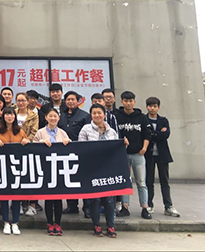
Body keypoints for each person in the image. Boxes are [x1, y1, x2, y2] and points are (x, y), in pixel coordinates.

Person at [78, 104, 119, 238]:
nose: (97, 115)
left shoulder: (111, 131)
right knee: (95, 199)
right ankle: (96, 225)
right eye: (94, 113)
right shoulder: (86, 129)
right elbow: (81, 148)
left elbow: (116, 149)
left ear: (104, 115)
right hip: (93, 169)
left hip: (108, 169)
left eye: (99, 113)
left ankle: (111, 226)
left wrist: (123, 144)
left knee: (109, 199)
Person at [113, 90, 151, 219]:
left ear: (134, 102)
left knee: (141, 182)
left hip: (138, 154)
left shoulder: (141, 117)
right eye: (126, 101)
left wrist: (144, 148)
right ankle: (125, 207)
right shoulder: (116, 116)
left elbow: (147, 134)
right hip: (122, 155)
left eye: (130, 101)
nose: (128, 103)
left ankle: (145, 207)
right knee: (125, 181)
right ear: (122, 101)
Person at [0, 106, 29, 235]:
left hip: (17, 168)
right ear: (3, 116)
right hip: (3, 168)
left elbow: (27, 145)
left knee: (16, 197)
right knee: (4, 197)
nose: (9, 116)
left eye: (12, 114)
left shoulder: (20, 131)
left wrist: (26, 141)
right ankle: (6, 222)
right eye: (7, 114)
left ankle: (15, 223)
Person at [33, 108, 71, 236]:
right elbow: (33, 146)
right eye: (50, 116)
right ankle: (49, 223)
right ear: (46, 118)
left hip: (59, 169)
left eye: (55, 116)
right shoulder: (40, 132)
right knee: (48, 197)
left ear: (59, 118)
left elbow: (71, 148)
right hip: (46, 168)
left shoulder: (62, 133)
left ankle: (58, 224)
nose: (53, 118)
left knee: (58, 198)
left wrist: (67, 142)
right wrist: (41, 142)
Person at [145, 97, 180, 217]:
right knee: (149, 181)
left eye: (155, 106)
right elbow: (146, 135)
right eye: (150, 106)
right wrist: (159, 133)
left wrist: (153, 134)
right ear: (147, 107)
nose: (152, 108)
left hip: (162, 155)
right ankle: (149, 205)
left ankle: (168, 206)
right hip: (148, 155)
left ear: (158, 107)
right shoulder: (143, 120)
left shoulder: (163, 120)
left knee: (164, 181)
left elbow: (166, 135)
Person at [58, 91, 91, 215]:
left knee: (84, 179)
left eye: (73, 99)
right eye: (68, 99)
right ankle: (72, 205)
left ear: (78, 101)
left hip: (81, 152)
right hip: (65, 153)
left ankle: (87, 207)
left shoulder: (85, 116)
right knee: (69, 179)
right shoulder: (61, 116)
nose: (70, 102)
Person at [15, 92, 39, 216]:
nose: (21, 103)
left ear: (27, 101)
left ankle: (32, 205)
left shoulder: (33, 115)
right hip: (14, 148)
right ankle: (18, 204)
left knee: (30, 176)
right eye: (19, 100)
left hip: (29, 148)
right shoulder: (12, 113)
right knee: (17, 176)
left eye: (23, 100)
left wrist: (27, 140)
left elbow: (34, 131)